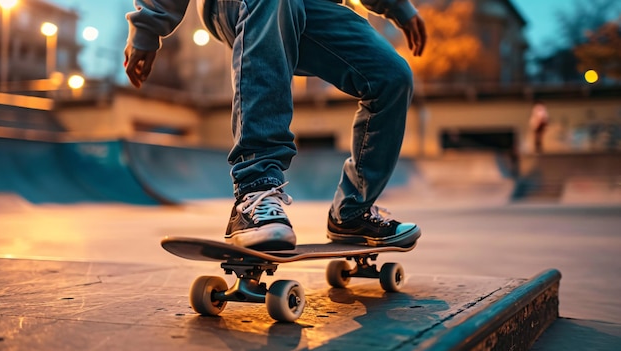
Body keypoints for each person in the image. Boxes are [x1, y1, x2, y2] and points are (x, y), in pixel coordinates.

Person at [124, 0, 427, 250]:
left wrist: (398, 7)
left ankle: (352, 211)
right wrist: (149, 25)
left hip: (316, 8)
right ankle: (254, 191)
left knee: (392, 76)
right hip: (239, 6)